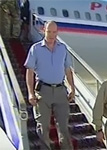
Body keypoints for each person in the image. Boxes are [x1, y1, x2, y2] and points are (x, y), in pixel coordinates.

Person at [24, 20, 74, 150]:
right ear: (43, 30)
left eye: (54, 32)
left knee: (63, 127)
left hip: (60, 91)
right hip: (43, 91)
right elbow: (29, 71)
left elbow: (68, 70)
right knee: (43, 127)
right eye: (49, 31)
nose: (51, 35)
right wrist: (30, 93)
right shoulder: (35, 49)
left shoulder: (63, 48)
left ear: (57, 32)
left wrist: (72, 88)